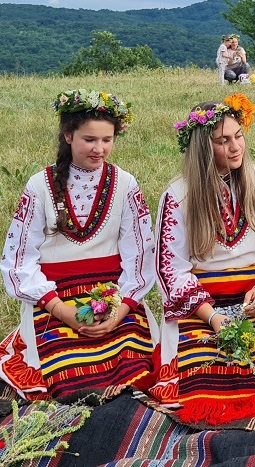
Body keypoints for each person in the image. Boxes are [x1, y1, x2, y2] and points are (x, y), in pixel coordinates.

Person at [149, 93, 255, 425]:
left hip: (254, 292)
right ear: (204, 148)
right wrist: (213, 318)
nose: (235, 147)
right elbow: (170, 267)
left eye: (238, 136)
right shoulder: (178, 195)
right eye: (223, 141)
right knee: (204, 373)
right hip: (201, 301)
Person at [0, 89, 158, 401]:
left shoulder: (125, 184)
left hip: (112, 297)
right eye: (90, 139)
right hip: (54, 300)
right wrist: (62, 310)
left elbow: (139, 255)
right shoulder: (39, 186)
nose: (100, 148)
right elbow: (19, 261)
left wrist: (120, 309)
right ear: (68, 135)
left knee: (135, 364)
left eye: (107, 139)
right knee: (64, 370)